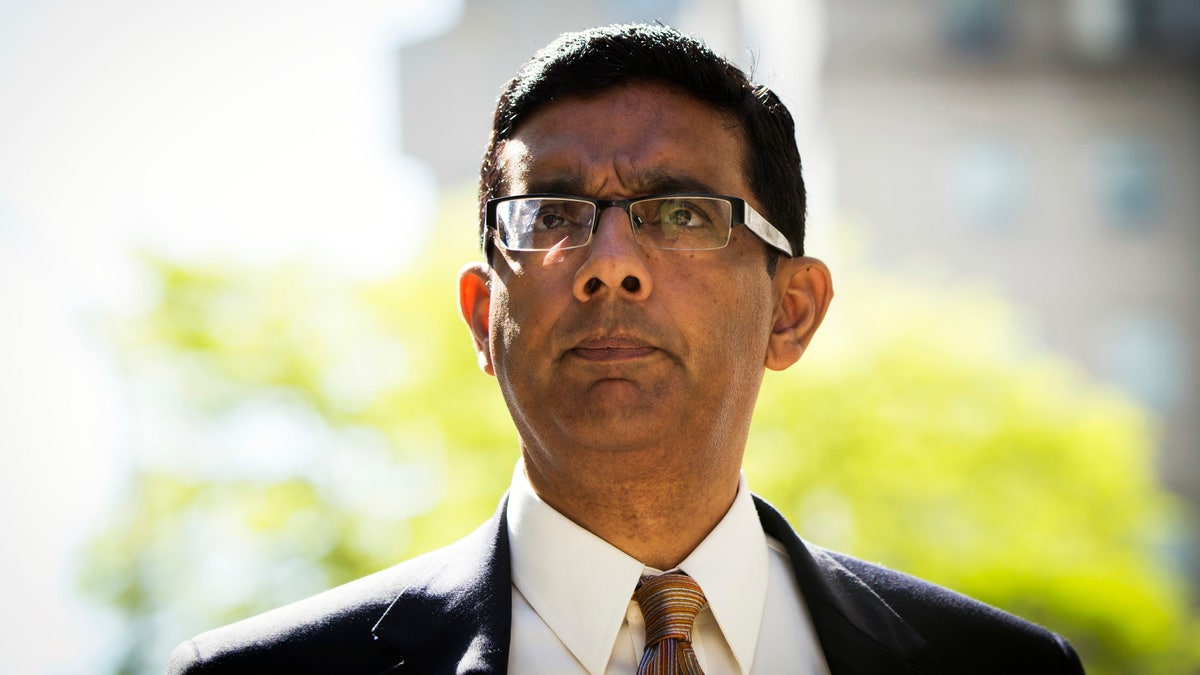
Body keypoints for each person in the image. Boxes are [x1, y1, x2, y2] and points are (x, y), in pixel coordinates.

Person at [168, 23, 1085, 674]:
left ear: (791, 311)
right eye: (552, 214)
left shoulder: (1003, 664)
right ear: (482, 315)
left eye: (681, 212)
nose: (610, 266)